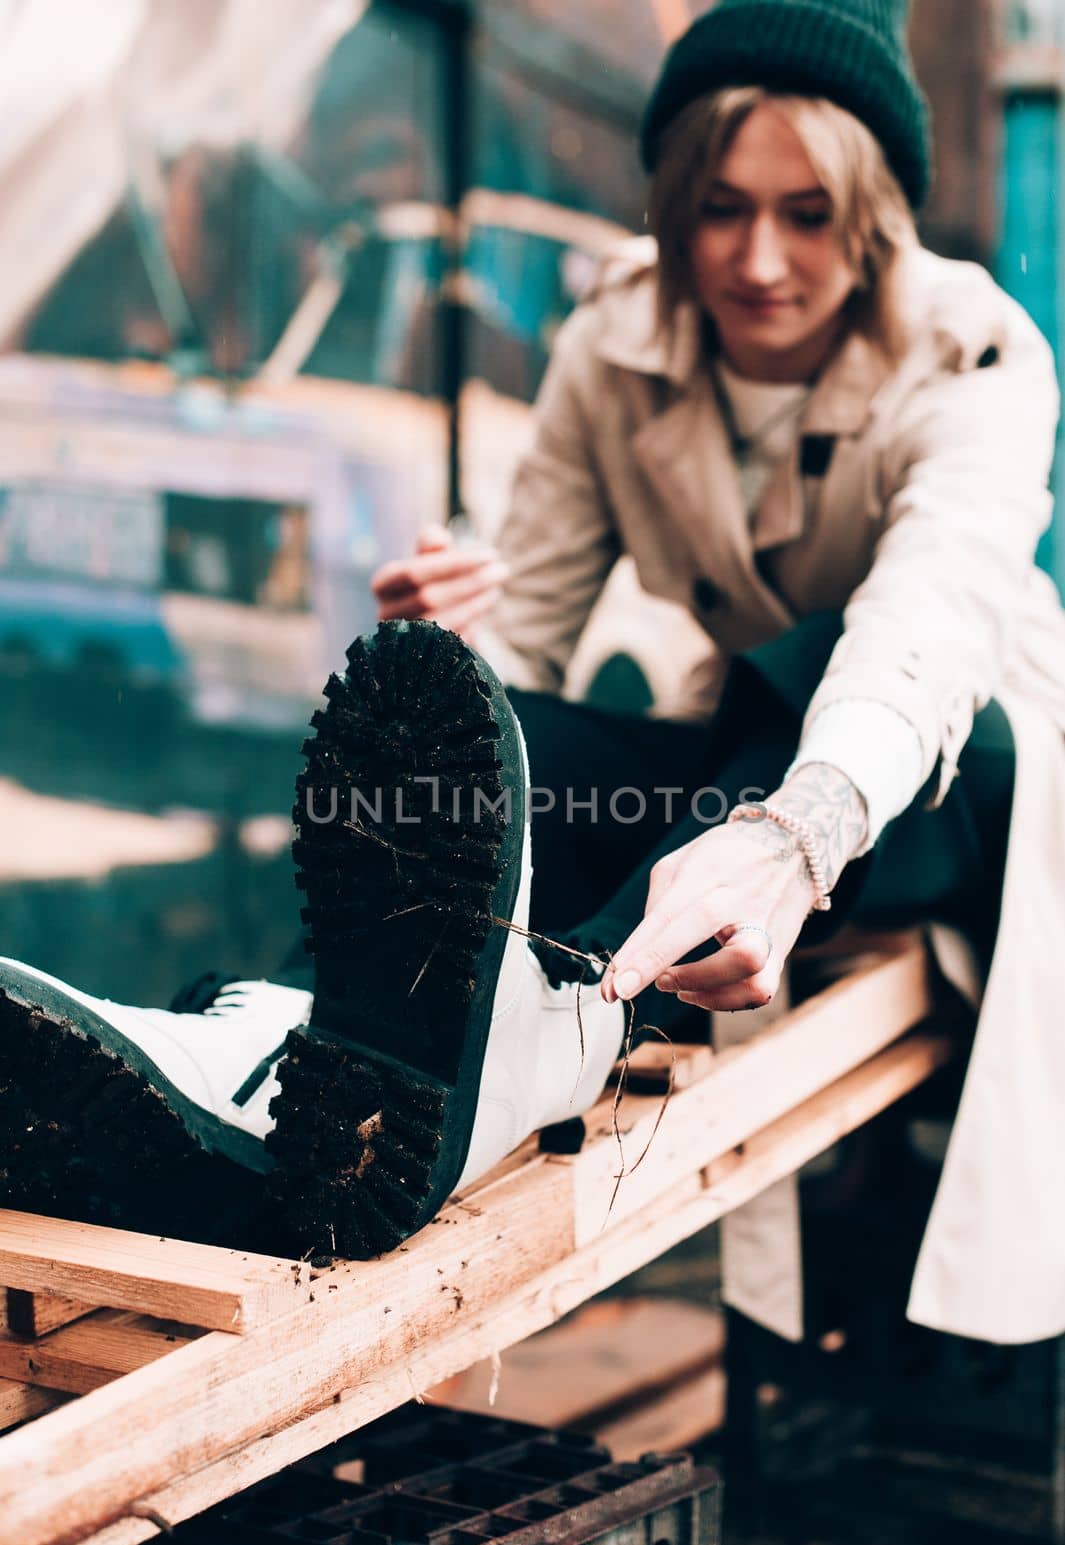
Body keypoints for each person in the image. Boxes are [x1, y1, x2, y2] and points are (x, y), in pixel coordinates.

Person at [2, 0, 1063, 1343]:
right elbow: (528, 650)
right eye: (720, 206)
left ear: (871, 212)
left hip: (944, 768)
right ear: (673, 200)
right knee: (526, 742)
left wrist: (792, 838)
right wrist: (441, 651)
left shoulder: (976, 352)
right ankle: (284, 1055)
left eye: (806, 212)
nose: (756, 259)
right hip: (737, 761)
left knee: (793, 681)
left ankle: (547, 1029)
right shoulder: (614, 335)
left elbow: (923, 621)